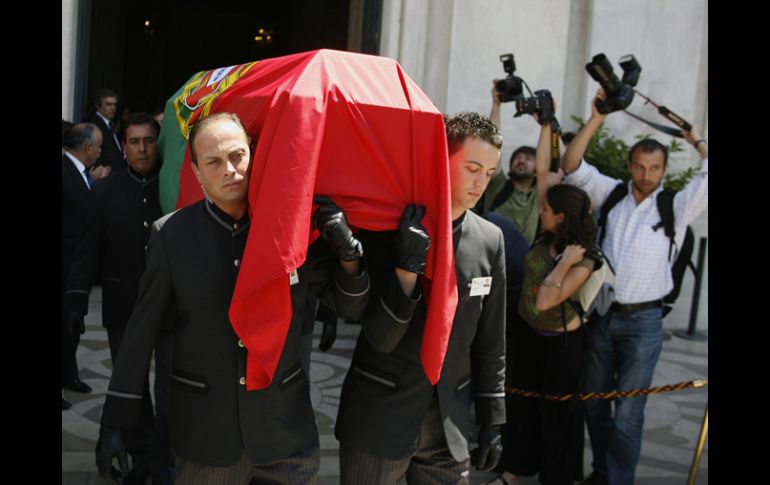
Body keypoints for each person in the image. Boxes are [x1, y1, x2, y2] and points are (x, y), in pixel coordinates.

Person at [95, 113, 370, 484]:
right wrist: (116, 421)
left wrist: (350, 258)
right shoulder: (172, 236)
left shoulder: (292, 228)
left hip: (285, 433)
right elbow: (141, 333)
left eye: (238, 155)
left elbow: (352, 307)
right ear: (195, 170)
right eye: (214, 161)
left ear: (254, 154)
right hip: (207, 437)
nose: (231, 169)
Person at [335, 111, 507, 484]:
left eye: (489, 174)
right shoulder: (388, 226)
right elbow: (373, 329)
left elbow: (491, 341)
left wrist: (494, 418)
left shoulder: (490, 240)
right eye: (472, 168)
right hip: (380, 415)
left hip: (449, 425)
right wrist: (407, 267)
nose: (481, 183)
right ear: (441, 159)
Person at [561, 89, 708, 485]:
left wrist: (694, 137)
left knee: (628, 412)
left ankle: (619, 480)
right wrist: (596, 117)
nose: (646, 175)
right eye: (640, 166)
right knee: (595, 405)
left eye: (654, 168)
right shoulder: (610, 195)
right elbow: (571, 165)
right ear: (631, 165)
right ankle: (604, 472)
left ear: (663, 170)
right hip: (602, 316)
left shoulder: (675, 207)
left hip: (644, 323)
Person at [64, 113, 171, 484]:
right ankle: (142, 461)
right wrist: (76, 300)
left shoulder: (173, 188)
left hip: (173, 310)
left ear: (158, 143)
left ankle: (163, 461)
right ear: (123, 146)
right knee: (132, 389)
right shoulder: (106, 191)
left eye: (149, 140)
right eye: (134, 141)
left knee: (169, 388)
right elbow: (87, 250)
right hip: (123, 305)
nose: (142, 148)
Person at [491, 121, 599, 485]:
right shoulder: (547, 230)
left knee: (558, 417)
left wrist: (565, 262)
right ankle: (514, 469)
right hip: (530, 337)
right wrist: (546, 124)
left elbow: (547, 299)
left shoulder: (584, 258)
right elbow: (542, 171)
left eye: (547, 210)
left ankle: (556, 478)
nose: (542, 211)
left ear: (561, 217)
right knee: (520, 407)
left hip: (563, 348)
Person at [476, 80, 557, 245]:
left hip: (519, 262)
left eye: (528, 159)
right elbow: (491, 146)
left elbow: (546, 165)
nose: (521, 160)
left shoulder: (538, 195)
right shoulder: (498, 183)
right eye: (518, 157)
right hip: (487, 250)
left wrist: (547, 121)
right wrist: (496, 105)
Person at [62, 122, 103, 408]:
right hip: (65, 266)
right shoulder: (64, 171)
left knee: (72, 326)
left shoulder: (83, 173)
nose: (100, 152)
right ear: (88, 148)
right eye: (99, 147)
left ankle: (68, 374)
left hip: (77, 269)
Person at [87, 88, 124, 176]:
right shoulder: (94, 125)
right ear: (98, 106)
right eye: (108, 104)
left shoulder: (110, 125)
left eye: (115, 104)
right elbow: (93, 154)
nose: (112, 108)